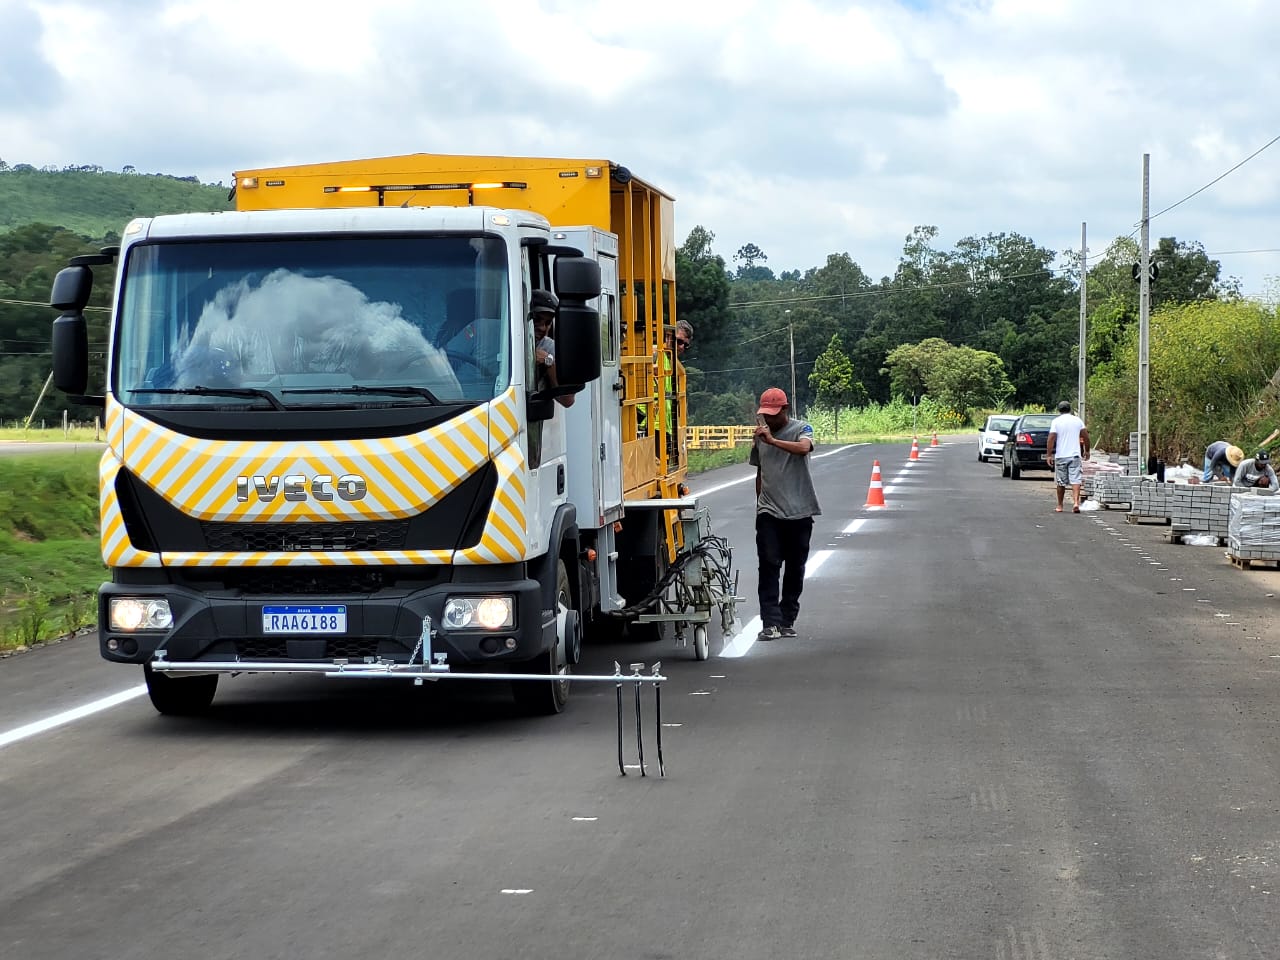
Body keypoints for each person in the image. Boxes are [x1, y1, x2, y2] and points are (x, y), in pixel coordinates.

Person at [750, 386, 821, 640]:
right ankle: (769, 622)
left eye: (774, 413)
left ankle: (787, 618)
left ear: (785, 410)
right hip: (769, 511)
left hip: (800, 511)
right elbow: (760, 471)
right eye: (765, 414)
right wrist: (759, 505)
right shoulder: (760, 437)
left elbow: (804, 449)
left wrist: (773, 441)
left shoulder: (803, 428)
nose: (768, 418)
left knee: (795, 567)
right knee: (768, 564)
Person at [1045, 400, 1090, 513]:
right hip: (1075, 455)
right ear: (1070, 409)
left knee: (1061, 481)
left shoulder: (1056, 422)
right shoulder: (1077, 420)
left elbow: (1051, 438)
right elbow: (1085, 436)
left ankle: (1060, 505)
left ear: (1059, 410)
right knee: (1076, 480)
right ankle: (1076, 503)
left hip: (1061, 455)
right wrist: (1087, 450)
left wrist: (1049, 455)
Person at [530, 290, 573, 408]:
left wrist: (549, 361)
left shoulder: (551, 348)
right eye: (537, 319)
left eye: (548, 323)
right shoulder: (498, 338)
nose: (542, 328)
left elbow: (567, 400)